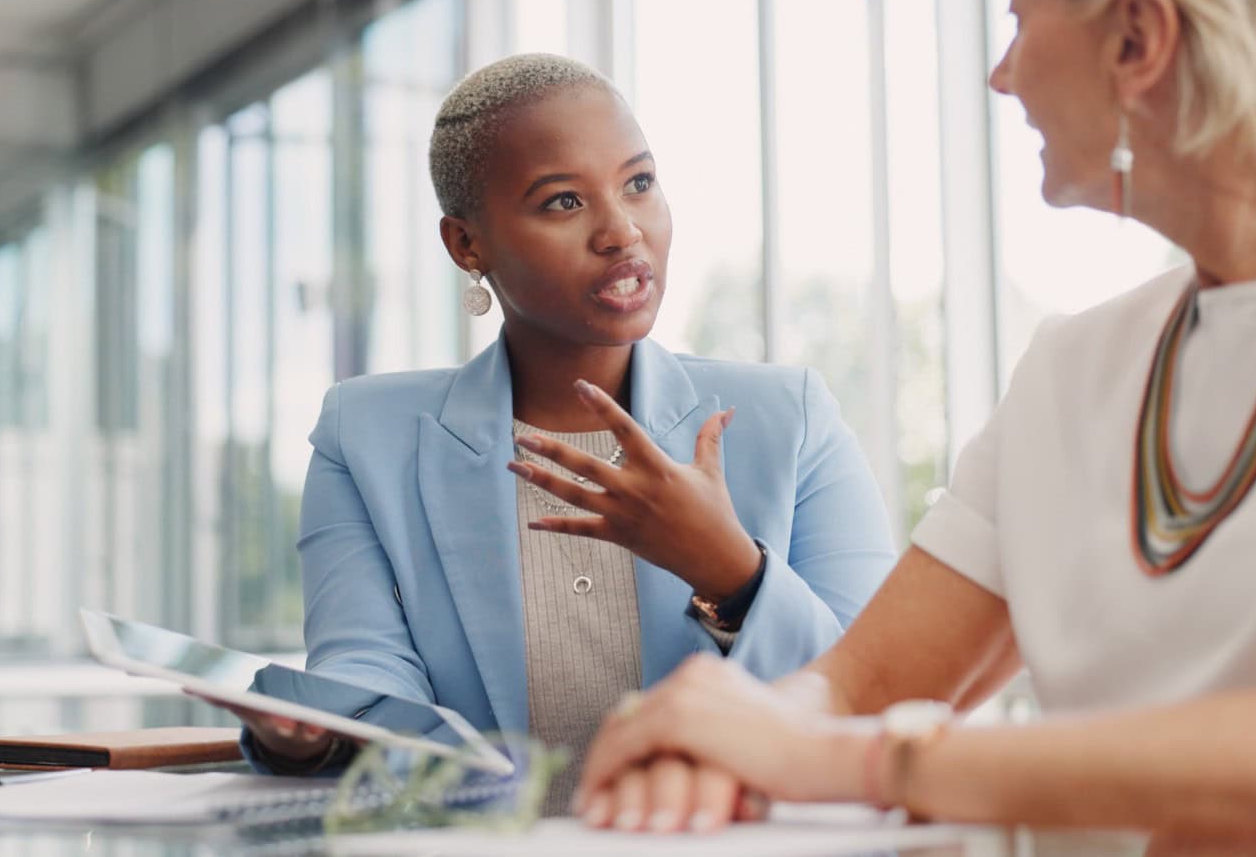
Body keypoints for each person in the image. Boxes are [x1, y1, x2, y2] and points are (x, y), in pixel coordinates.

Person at [552, 0, 1256, 845]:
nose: (1000, 73)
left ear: (1138, 39)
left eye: (1018, 18)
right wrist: (721, 739)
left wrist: (862, 760)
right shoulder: (1076, 366)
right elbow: (860, 685)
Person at [222, 53, 898, 809]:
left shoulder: (789, 418)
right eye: (563, 202)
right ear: (466, 244)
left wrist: (733, 574)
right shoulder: (365, 438)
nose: (620, 230)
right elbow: (367, 680)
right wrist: (315, 731)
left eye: (639, 182)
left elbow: (881, 696)